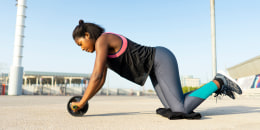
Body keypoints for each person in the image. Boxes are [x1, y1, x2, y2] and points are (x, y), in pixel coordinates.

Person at [70, 20, 242, 119]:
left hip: (160, 59)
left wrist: (82, 102)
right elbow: (100, 81)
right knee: (175, 108)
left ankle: (219, 82)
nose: (82, 48)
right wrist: (84, 101)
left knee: (181, 110)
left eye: (80, 44)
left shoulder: (102, 40)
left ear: (87, 35)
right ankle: (217, 82)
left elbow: (96, 75)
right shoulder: (104, 53)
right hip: (154, 68)